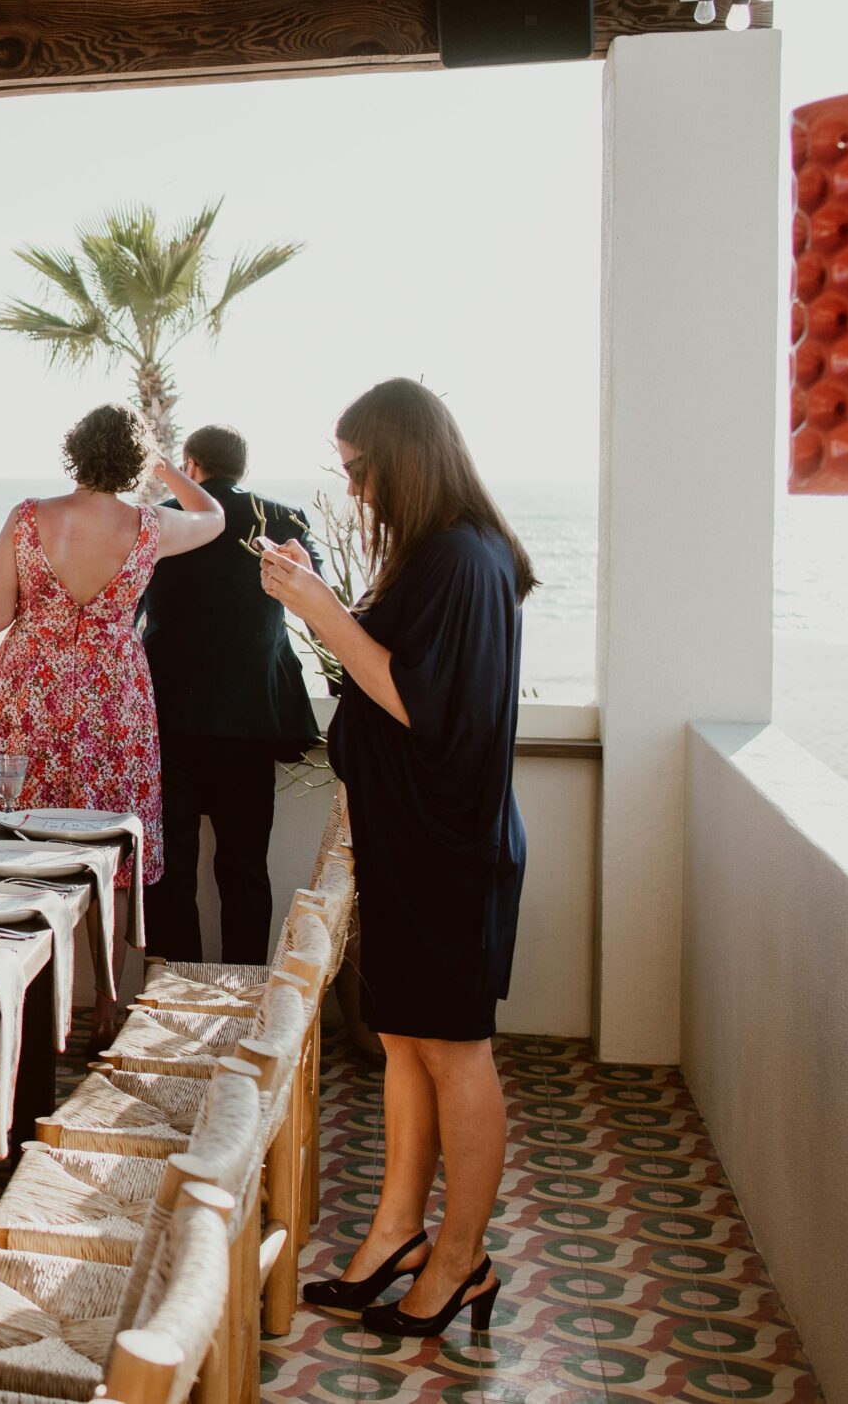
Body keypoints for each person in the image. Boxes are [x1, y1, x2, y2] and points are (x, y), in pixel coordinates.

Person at [261, 378, 532, 1337]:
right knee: (407, 1048)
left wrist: (315, 602)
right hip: (414, 843)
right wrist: (321, 596)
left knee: (456, 1053)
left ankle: (461, 1259)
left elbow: (412, 696)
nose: (358, 491)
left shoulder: (462, 555)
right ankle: (394, 1235)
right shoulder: (440, 554)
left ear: (402, 457)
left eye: (361, 471)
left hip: (450, 851)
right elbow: (383, 668)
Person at [0, 406, 226, 895]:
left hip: (28, 695)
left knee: (16, 844)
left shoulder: (27, 516)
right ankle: (105, 970)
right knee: (110, 859)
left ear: (76, 451)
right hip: (113, 699)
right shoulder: (152, 526)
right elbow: (214, 517)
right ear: (135, 462)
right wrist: (164, 467)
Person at [138, 425, 321, 962]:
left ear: (191, 466)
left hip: (170, 713)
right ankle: (247, 989)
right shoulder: (282, 520)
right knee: (244, 866)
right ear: (240, 468)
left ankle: (176, 988)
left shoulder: (163, 520)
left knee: (170, 870)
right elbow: (317, 601)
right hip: (248, 720)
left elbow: (130, 608)